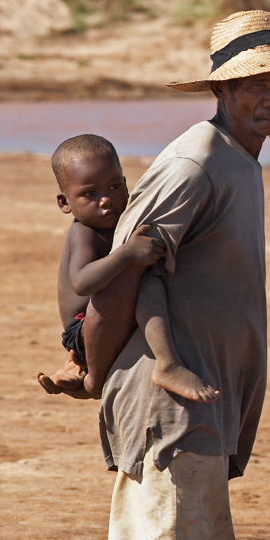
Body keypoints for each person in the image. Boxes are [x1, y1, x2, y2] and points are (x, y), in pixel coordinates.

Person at [79, 10, 270, 540]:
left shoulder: (238, 159)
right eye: (257, 85)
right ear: (223, 89)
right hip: (172, 400)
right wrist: (95, 373)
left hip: (203, 398)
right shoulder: (194, 163)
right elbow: (123, 275)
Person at [35, 134, 219, 403]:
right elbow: (82, 282)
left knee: (150, 281)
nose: (106, 199)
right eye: (90, 193)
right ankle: (96, 381)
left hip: (107, 322)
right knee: (141, 282)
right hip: (82, 331)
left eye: (114, 187)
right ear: (65, 203)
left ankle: (76, 369)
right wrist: (127, 254)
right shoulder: (84, 232)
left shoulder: (124, 218)